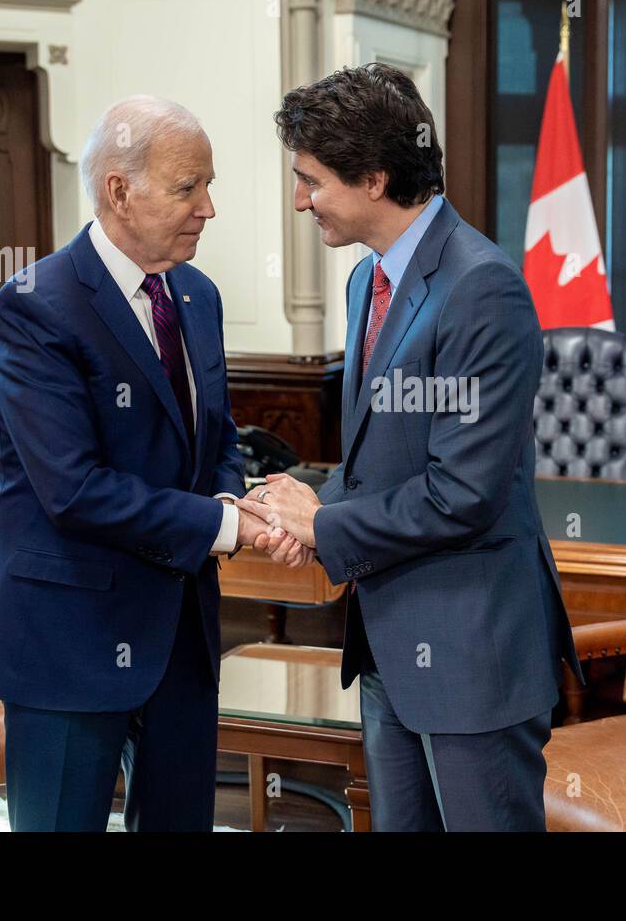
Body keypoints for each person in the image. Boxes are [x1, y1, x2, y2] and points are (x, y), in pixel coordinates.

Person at [242, 64, 583, 831]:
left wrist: (323, 525)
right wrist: (316, 504)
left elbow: (462, 493)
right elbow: (387, 462)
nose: (300, 200)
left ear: (374, 177)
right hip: (388, 643)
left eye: (311, 180)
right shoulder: (370, 280)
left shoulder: (481, 287)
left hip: (471, 654)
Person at [0, 94, 308, 832]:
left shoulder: (198, 294)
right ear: (119, 191)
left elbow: (215, 436)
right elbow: (73, 490)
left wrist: (234, 503)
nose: (208, 208)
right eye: (190, 188)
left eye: (209, 186)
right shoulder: (34, 306)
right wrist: (228, 525)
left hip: (182, 634)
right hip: (70, 639)